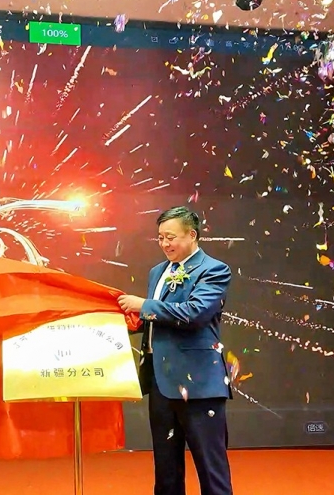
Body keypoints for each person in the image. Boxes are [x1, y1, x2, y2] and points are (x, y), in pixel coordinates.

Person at [118, 206, 234, 495]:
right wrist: (120, 323)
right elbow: (158, 319)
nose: (164, 244)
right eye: (160, 238)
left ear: (192, 235)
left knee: (211, 470)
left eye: (171, 237)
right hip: (161, 383)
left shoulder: (214, 270)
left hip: (199, 385)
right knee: (166, 469)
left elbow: (194, 313)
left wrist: (143, 305)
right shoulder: (157, 272)